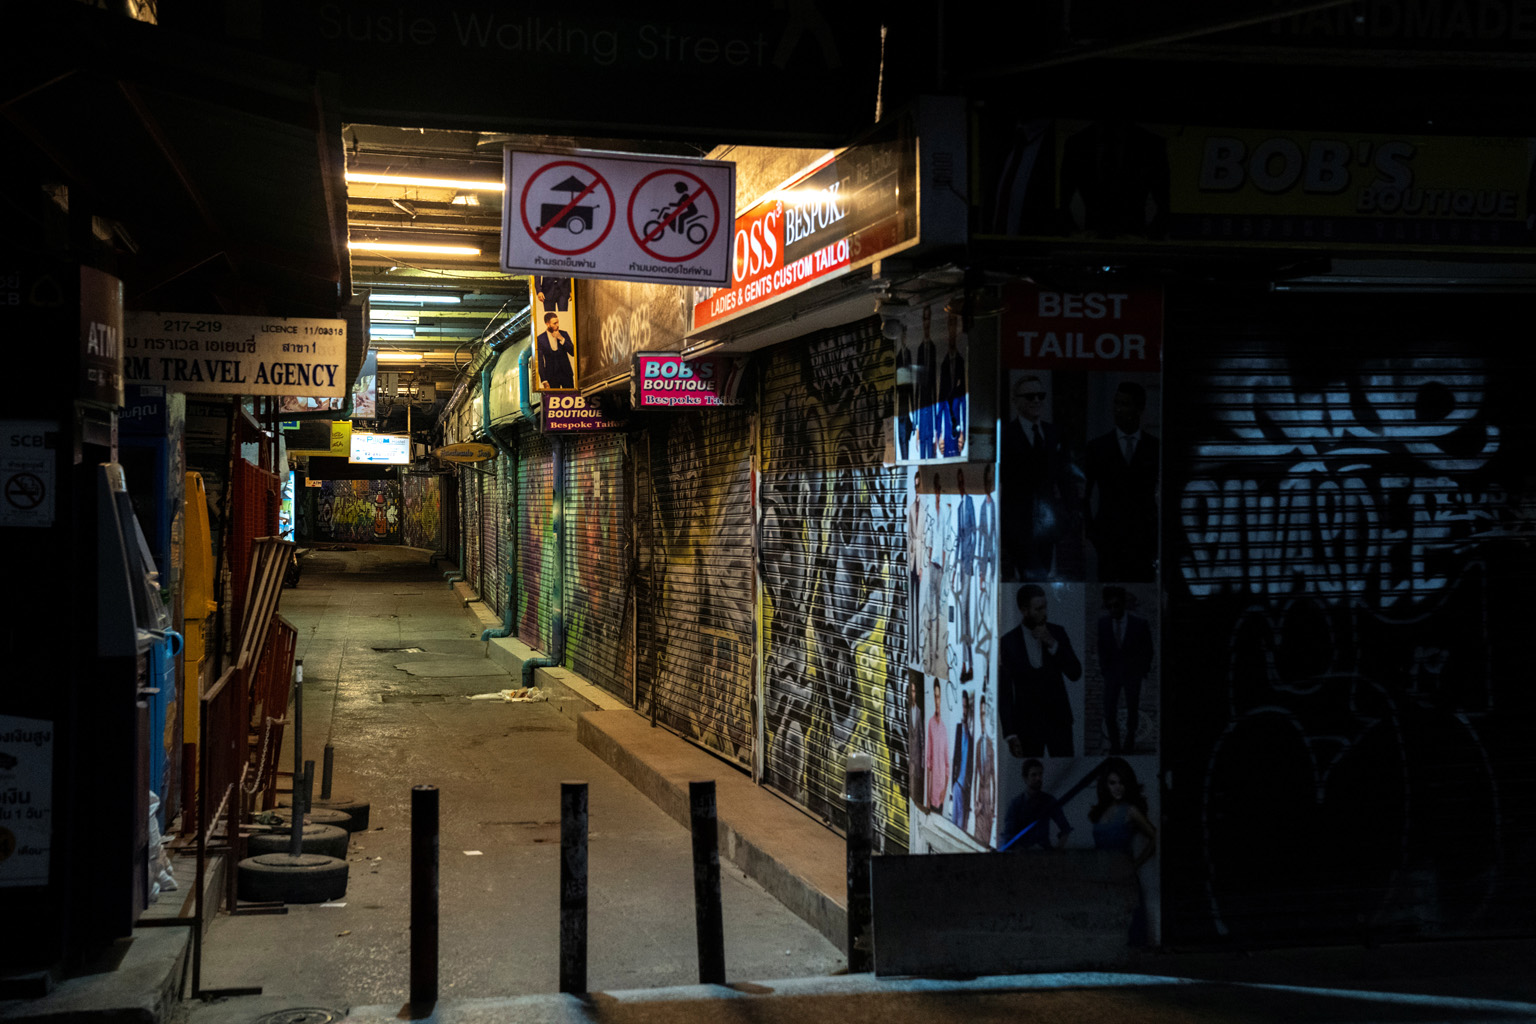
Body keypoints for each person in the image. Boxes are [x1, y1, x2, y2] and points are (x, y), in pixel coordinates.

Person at [999, 373, 1075, 581]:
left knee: (1041, 575)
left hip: (1047, 526)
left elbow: (1065, 477)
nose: (1036, 401)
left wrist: (1070, 514)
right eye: (1029, 396)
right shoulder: (1006, 436)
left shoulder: (1053, 433)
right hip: (1018, 526)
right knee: (1032, 576)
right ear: (1015, 401)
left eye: (1040, 396)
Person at [1083, 380, 1159, 581]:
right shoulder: (1098, 448)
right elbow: (1084, 495)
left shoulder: (1155, 448)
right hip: (1109, 539)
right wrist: (1093, 533)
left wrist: (1155, 532)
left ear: (1139, 409)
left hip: (1143, 540)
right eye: (1116, 403)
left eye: (1124, 404)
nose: (1117, 409)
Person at [998, 584, 1081, 757]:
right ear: (1024, 610)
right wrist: (1010, 733)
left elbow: (1075, 673)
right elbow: (1005, 691)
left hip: (1059, 720)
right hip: (1027, 725)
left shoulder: (1057, 633)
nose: (1044, 613)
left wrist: (1052, 643)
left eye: (1045, 607)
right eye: (1038, 609)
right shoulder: (1009, 642)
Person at [1089, 756, 1157, 944]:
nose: (1118, 787)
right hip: (1100, 877)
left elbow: (1155, 836)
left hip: (1122, 877)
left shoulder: (1130, 810)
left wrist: (1136, 864)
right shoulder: (1100, 811)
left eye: (1121, 783)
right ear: (1106, 785)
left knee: (1128, 931)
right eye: (1113, 783)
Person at [1097, 586, 1154, 754]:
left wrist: (1142, 671)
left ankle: (1130, 739)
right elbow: (1101, 647)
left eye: (1116, 605)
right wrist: (1105, 669)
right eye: (1109, 606)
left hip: (1132, 674)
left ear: (1123, 604)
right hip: (1112, 674)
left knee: (1132, 708)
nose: (1113, 610)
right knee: (1109, 711)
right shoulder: (1103, 623)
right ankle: (1115, 744)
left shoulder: (1139, 624)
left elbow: (1148, 650)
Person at [1001, 758, 1071, 850]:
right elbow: (1009, 833)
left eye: (1040, 774)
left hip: (1044, 852)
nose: (1038, 778)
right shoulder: (1016, 804)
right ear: (1025, 778)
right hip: (1023, 853)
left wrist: (1058, 849)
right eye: (1034, 775)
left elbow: (1065, 828)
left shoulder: (1049, 801)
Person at [938, 313, 966, 457]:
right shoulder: (943, 364)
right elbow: (940, 403)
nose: (952, 327)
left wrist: (964, 433)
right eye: (950, 323)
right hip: (946, 427)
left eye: (954, 322)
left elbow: (964, 403)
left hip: (957, 423)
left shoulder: (962, 361)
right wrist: (938, 435)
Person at [949, 689, 976, 830]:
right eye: (963, 707)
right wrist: (953, 783)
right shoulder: (959, 729)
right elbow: (954, 756)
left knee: (963, 825)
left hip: (966, 788)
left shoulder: (972, 732)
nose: (964, 711)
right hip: (958, 785)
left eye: (966, 707)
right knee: (956, 825)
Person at [974, 689, 997, 845]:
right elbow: (976, 775)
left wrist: (993, 805)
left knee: (986, 841)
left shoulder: (990, 745)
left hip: (988, 803)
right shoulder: (978, 744)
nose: (983, 718)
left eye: (985, 714)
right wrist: (975, 802)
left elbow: (994, 779)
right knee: (977, 837)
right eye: (981, 714)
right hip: (979, 802)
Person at [923, 677, 949, 815]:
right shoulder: (931, 724)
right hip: (933, 791)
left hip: (941, 792)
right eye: (935, 696)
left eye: (939, 697)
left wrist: (945, 791)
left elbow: (947, 765)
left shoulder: (944, 728)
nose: (937, 701)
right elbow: (928, 762)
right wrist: (927, 797)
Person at [536, 311, 576, 390]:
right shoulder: (540, 339)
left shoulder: (564, 334)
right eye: (555, 323)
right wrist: (544, 380)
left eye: (558, 322)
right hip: (551, 376)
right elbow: (540, 361)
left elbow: (573, 352)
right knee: (553, 397)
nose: (557, 325)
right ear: (547, 324)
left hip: (566, 374)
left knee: (570, 396)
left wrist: (561, 339)